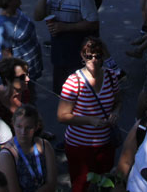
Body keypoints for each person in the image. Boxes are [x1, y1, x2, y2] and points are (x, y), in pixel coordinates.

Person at [57, 37, 121, 192]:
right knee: (81, 186)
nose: (93, 60)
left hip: (105, 144)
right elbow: (62, 116)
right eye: (89, 56)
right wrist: (89, 120)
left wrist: (115, 113)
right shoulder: (74, 82)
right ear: (82, 55)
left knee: (105, 184)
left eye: (97, 56)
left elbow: (118, 101)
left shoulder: (111, 77)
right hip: (80, 146)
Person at [34, 0, 100, 94]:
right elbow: (37, 16)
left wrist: (65, 27)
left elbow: (93, 23)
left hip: (77, 52)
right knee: (61, 91)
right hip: (58, 52)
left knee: (78, 92)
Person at [0, 0, 44, 89]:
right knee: (24, 102)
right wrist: (16, 81)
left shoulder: (14, 10)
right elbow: (7, 57)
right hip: (20, 77)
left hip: (29, 67)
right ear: (8, 2)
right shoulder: (4, 26)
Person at [0, 105, 58, 192]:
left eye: (28, 127)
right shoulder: (7, 155)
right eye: (19, 126)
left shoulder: (45, 146)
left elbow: (52, 184)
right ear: (12, 124)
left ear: (36, 127)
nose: (23, 132)